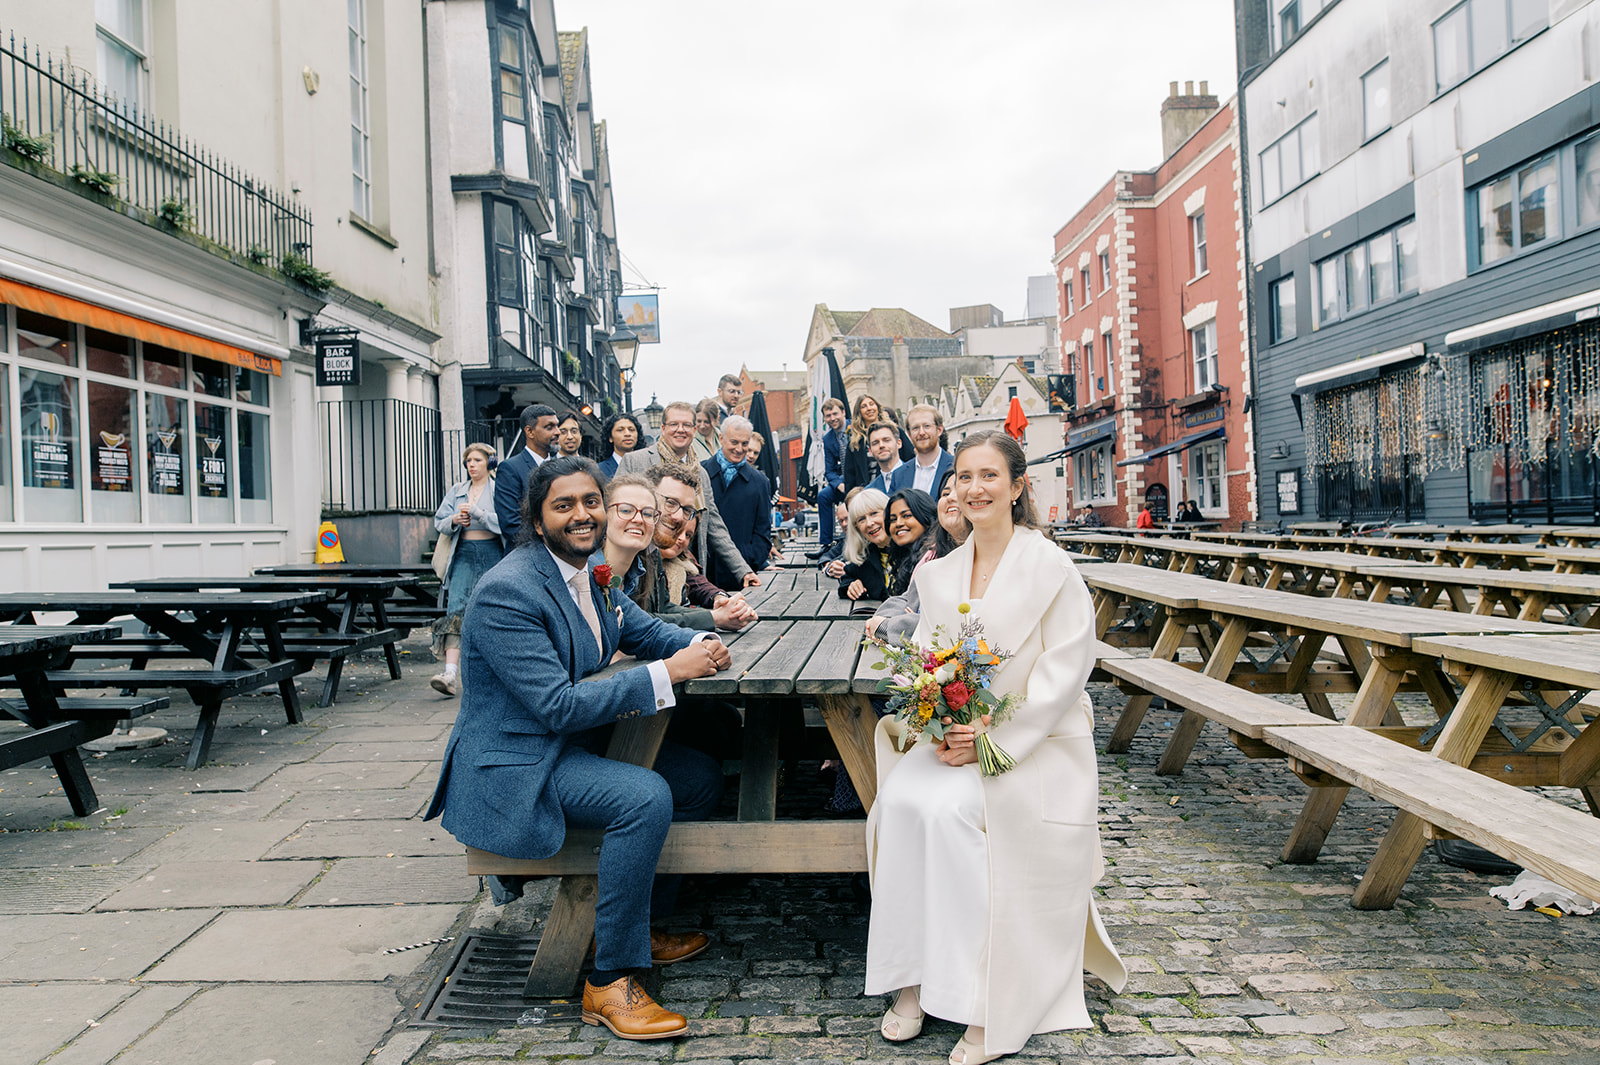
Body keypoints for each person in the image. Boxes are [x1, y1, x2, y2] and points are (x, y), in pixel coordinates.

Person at [425, 456, 733, 1042]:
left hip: (566, 746)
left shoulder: (589, 571)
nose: (582, 514)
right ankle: (609, 981)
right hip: (516, 765)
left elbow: (640, 629)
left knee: (698, 779)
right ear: (538, 521)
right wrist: (669, 672)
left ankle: (631, 927)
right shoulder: (507, 591)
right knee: (643, 797)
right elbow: (557, 706)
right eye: (563, 505)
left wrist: (701, 640)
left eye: (590, 501)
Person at [865, 429, 1126, 1064]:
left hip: (1034, 746)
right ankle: (914, 981)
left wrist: (990, 738)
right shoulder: (943, 572)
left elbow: (1064, 675)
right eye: (964, 477)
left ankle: (985, 996)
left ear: (1016, 487)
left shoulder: (1051, 567)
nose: (974, 488)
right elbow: (925, 660)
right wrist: (935, 719)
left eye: (989, 477)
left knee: (953, 815)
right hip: (952, 739)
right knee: (898, 805)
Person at [617, 401, 760, 589]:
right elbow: (617, 513)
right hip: (644, 569)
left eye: (686, 425)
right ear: (662, 428)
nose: (680, 430)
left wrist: (743, 570)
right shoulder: (635, 461)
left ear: (694, 430)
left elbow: (715, 527)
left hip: (689, 571)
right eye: (674, 424)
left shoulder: (701, 473)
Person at [635, 462, 758, 632]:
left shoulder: (653, 552)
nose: (679, 517)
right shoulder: (630, 547)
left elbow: (663, 609)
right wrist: (715, 618)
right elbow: (636, 622)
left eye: (687, 510)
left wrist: (720, 611)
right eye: (670, 503)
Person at [429, 443, 504, 696]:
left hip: (492, 553)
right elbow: (439, 520)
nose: (472, 465)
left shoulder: (498, 490)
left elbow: (508, 523)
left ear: (489, 464)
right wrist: (453, 520)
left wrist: (480, 514)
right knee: (456, 610)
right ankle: (450, 673)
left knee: (492, 609)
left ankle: (495, 671)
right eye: (469, 461)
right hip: (463, 554)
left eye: (477, 460)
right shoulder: (458, 490)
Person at [866, 470, 967, 646]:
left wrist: (889, 625)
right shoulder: (929, 557)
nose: (898, 523)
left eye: (906, 516)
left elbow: (940, 626)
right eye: (945, 493)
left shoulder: (965, 555)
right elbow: (903, 599)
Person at [701, 414, 772, 590]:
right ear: (721, 438)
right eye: (734, 442)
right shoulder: (699, 472)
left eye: (745, 443)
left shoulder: (760, 482)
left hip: (740, 576)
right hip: (702, 573)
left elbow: (763, 532)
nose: (740, 449)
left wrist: (749, 560)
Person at [494, 403, 560, 549]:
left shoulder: (562, 467)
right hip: (527, 554)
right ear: (530, 432)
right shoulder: (510, 468)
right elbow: (510, 524)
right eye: (549, 427)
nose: (558, 432)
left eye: (557, 426)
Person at [843, 394, 912, 491]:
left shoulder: (895, 431)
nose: (869, 408)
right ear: (859, 413)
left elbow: (910, 457)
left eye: (871, 404)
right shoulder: (855, 443)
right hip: (867, 492)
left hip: (898, 486)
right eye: (864, 406)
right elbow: (849, 476)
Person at [810, 397, 850, 556]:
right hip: (841, 482)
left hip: (861, 479)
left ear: (843, 412)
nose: (832, 418)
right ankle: (826, 543)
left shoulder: (856, 428)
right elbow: (829, 470)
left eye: (835, 414)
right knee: (823, 496)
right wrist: (838, 483)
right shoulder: (827, 438)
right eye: (828, 415)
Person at [837, 487, 892, 600]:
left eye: (874, 513)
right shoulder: (866, 556)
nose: (869, 523)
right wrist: (852, 585)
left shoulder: (911, 549)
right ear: (856, 528)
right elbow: (847, 577)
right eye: (861, 519)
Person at [883, 488, 938, 600]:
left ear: (925, 517)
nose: (898, 523)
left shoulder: (933, 558)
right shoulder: (903, 558)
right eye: (892, 519)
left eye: (906, 516)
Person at [888, 404, 953, 496]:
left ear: (939, 430)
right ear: (909, 435)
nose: (921, 432)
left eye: (927, 426)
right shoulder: (898, 475)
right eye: (916, 428)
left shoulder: (957, 467)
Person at [864, 422, 905, 496]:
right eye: (875, 443)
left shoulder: (916, 475)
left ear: (898, 443)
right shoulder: (870, 492)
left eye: (886, 440)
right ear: (870, 451)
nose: (881, 445)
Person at [599, 413, 642, 480]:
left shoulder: (647, 466)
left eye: (631, 430)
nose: (627, 434)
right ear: (610, 437)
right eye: (620, 430)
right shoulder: (599, 470)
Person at [691, 398, 720, 462]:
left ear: (717, 419)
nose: (702, 426)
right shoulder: (689, 441)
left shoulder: (723, 438)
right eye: (699, 421)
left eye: (706, 422)